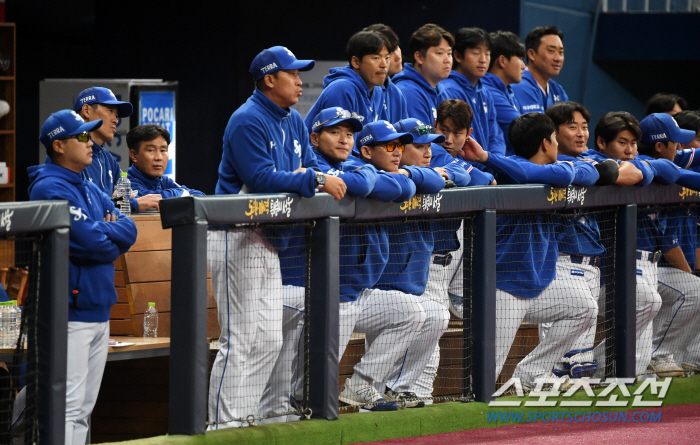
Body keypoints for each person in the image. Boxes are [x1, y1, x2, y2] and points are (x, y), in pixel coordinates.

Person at [209, 46, 346, 429]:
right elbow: (262, 179)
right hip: (236, 235)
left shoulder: (293, 120)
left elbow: (314, 163)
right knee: (241, 340)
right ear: (270, 79)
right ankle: (223, 427)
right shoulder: (247, 119)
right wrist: (316, 179)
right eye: (293, 74)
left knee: (268, 338)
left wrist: (325, 174)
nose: (301, 80)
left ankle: (250, 417)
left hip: (268, 240)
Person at [30, 109, 137, 444]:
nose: (90, 142)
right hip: (68, 313)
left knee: (83, 409)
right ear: (59, 145)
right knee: (67, 407)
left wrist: (106, 234)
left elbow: (129, 228)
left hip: (97, 309)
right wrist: (107, 238)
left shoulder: (88, 186)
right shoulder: (49, 186)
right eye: (81, 136)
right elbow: (91, 241)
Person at [484, 113, 598, 389]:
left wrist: (566, 169)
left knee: (583, 307)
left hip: (539, 284)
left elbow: (591, 172)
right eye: (557, 139)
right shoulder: (509, 170)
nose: (559, 145)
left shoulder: (555, 169)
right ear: (547, 143)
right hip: (505, 287)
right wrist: (487, 158)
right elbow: (525, 173)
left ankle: (531, 372)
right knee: (487, 372)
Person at [581, 111, 683, 376]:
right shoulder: (589, 160)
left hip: (642, 263)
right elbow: (612, 173)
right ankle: (597, 367)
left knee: (636, 368)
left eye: (633, 143)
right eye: (622, 143)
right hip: (603, 269)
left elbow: (677, 172)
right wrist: (639, 169)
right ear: (602, 142)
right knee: (648, 301)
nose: (630, 150)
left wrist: (644, 167)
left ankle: (610, 377)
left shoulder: (642, 161)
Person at [636, 113, 700, 377]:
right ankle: (660, 356)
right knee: (691, 291)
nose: (682, 148)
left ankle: (667, 358)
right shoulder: (651, 165)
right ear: (660, 146)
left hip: (651, 264)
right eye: (677, 143)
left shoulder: (669, 160)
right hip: (624, 263)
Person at [73, 87, 162, 212]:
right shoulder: (72, 156)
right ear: (86, 111)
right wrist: (127, 203)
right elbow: (80, 207)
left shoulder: (108, 158)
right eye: (110, 111)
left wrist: (123, 201)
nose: (115, 120)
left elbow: (130, 195)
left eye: (116, 115)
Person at [304, 31, 390, 135]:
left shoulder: (378, 91)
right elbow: (335, 144)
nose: (384, 64)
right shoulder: (342, 89)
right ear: (356, 62)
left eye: (387, 58)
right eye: (376, 58)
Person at [442, 28, 506, 157]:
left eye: (487, 54)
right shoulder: (449, 90)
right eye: (476, 53)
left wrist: (495, 163)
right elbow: (451, 142)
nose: (483, 60)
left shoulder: (485, 93)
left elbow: (496, 137)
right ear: (458, 56)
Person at [393, 24, 453, 127]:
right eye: (440, 53)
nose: (447, 60)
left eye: (449, 53)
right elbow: (421, 141)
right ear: (419, 57)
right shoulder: (408, 92)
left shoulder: (442, 91)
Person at [126, 124, 204, 200]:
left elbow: (200, 197)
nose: (159, 157)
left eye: (163, 150)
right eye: (151, 150)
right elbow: (149, 201)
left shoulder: (163, 181)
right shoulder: (127, 184)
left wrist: (180, 194)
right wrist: (182, 193)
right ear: (134, 155)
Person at [482, 31, 526, 156]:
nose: (524, 66)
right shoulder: (488, 92)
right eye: (519, 58)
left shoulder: (507, 90)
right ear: (502, 60)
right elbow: (526, 132)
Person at [512, 26, 568, 114]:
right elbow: (536, 127)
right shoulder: (520, 85)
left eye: (561, 52)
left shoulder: (558, 90)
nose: (558, 58)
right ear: (532, 54)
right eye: (551, 51)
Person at [364, 24, 409, 123]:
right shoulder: (348, 89)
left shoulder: (397, 94)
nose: (398, 57)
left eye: (397, 47)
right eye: (390, 53)